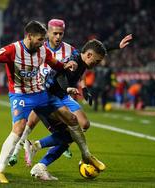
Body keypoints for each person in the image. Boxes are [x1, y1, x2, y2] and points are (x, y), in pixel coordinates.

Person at [0, 20, 83, 184]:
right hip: (20, 96)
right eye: (40, 39)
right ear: (29, 36)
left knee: (72, 120)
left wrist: (65, 66)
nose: (42, 43)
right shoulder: (12, 50)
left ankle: (82, 154)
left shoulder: (43, 50)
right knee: (18, 129)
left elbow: (54, 63)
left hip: (41, 94)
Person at [27, 35, 132, 180]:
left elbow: (96, 48)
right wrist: (68, 88)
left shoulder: (83, 56)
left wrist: (116, 46)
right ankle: (37, 153)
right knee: (69, 136)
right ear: (88, 55)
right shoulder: (74, 61)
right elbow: (61, 76)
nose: (97, 64)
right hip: (47, 99)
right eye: (96, 61)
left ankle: (37, 153)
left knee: (81, 127)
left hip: (59, 96)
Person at [8, 19, 80, 166]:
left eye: (61, 34)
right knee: (29, 123)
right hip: (40, 92)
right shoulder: (39, 47)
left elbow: (84, 60)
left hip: (61, 94)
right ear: (47, 33)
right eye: (55, 33)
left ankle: (58, 144)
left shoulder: (70, 50)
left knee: (81, 124)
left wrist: (82, 86)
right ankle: (16, 151)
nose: (58, 37)